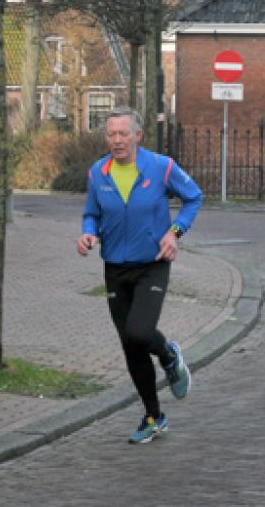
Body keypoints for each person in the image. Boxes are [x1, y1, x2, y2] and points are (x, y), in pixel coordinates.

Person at [78, 107, 203, 443]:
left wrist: (174, 232)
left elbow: (193, 197)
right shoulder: (98, 172)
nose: (116, 140)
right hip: (115, 268)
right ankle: (153, 416)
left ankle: (168, 355)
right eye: (111, 134)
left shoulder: (160, 168)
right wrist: (88, 233)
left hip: (153, 264)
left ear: (137, 136)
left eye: (123, 134)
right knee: (131, 346)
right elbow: (91, 214)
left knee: (139, 331)